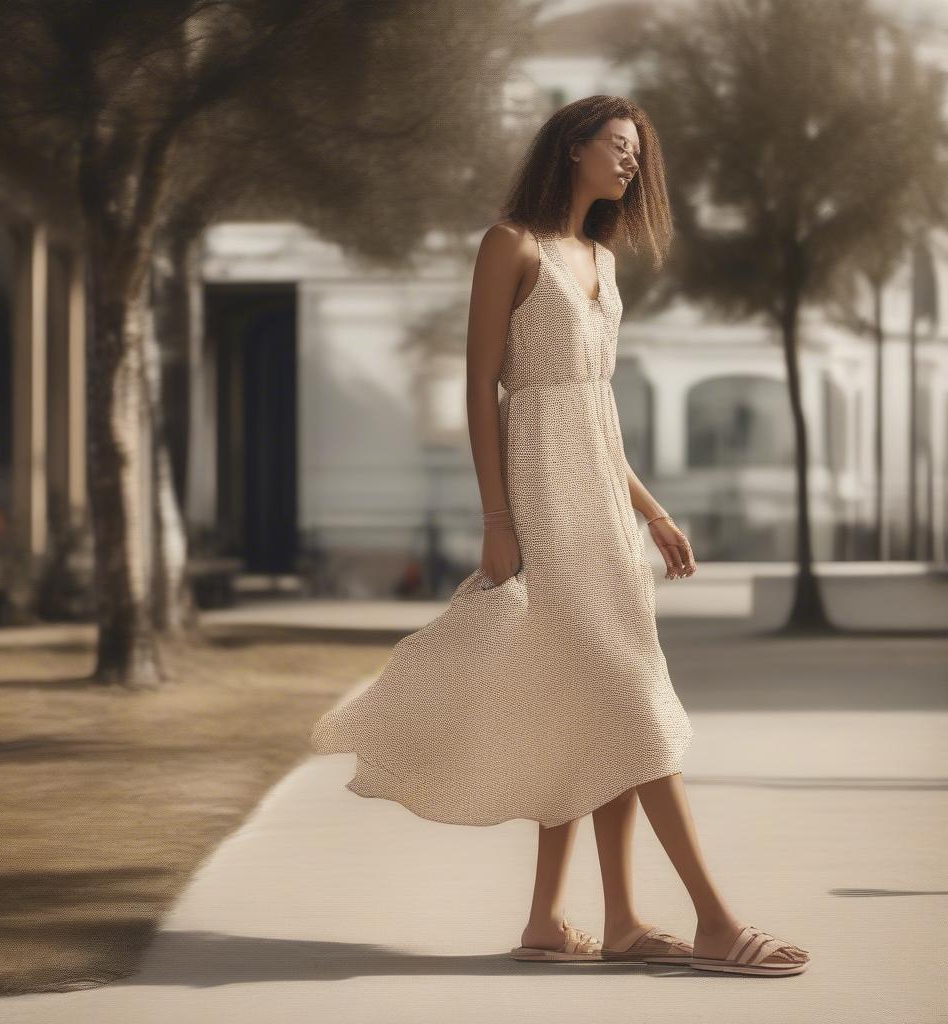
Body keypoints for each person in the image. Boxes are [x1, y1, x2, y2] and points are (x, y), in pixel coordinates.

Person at [311, 95, 809, 977]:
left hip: (603, 502)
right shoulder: (512, 244)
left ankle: (577, 920)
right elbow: (481, 388)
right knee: (628, 700)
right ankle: (716, 923)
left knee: (589, 702)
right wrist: (496, 519)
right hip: (540, 493)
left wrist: (652, 513)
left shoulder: (603, 260)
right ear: (572, 146)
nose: (630, 164)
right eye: (617, 147)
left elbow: (595, 408)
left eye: (636, 153)